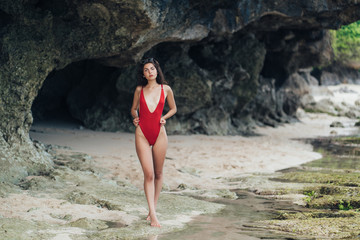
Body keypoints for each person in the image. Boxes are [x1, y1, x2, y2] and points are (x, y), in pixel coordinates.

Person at [130, 58, 177, 227]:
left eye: (152, 69)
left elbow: (174, 108)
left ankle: (152, 209)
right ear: (143, 74)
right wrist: (135, 118)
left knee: (158, 173)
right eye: (146, 70)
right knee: (148, 174)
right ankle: (154, 216)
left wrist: (164, 118)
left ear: (157, 70)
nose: (150, 72)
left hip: (160, 134)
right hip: (142, 133)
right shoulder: (139, 89)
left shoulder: (166, 89)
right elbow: (133, 109)